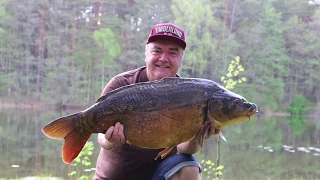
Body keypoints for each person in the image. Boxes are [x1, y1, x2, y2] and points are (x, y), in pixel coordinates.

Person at [94, 23, 219, 180]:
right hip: (114, 177)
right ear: (146, 53)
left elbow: (184, 149)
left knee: (189, 166)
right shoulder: (122, 84)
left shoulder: (189, 94)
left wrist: (197, 135)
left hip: (158, 175)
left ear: (181, 59)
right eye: (157, 50)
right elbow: (101, 137)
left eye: (172, 53)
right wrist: (109, 139)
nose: (163, 58)